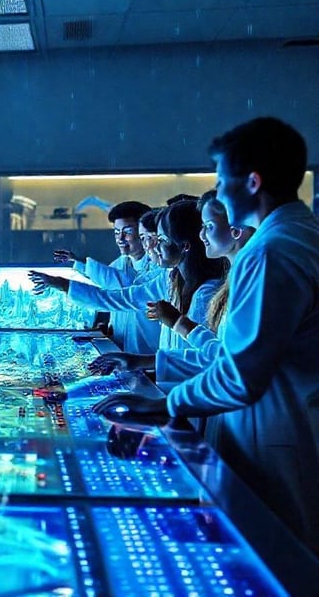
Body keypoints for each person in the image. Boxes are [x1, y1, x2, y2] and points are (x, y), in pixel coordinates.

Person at [93, 117, 319, 552]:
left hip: (270, 442)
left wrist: (163, 405)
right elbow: (236, 357)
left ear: (251, 182)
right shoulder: (296, 236)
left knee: (271, 554)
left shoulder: (272, 252)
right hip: (275, 430)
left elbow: (239, 374)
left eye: (221, 179)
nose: (212, 193)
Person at [30, 200, 226, 365]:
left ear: (185, 245)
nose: (153, 245)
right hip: (168, 386)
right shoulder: (170, 279)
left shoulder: (205, 293)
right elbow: (120, 297)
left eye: (160, 239)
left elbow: (205, 361)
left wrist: (176, 323)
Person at [53, 201, 162, 353]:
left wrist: (69, 275)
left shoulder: (160, 267)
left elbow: (122, 287)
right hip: (122, 355)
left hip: (150, 357)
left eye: (127, 231)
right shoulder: (118, 264)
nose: (120, 239)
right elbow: (109, 292)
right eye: (117, 232)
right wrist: (108, 328)